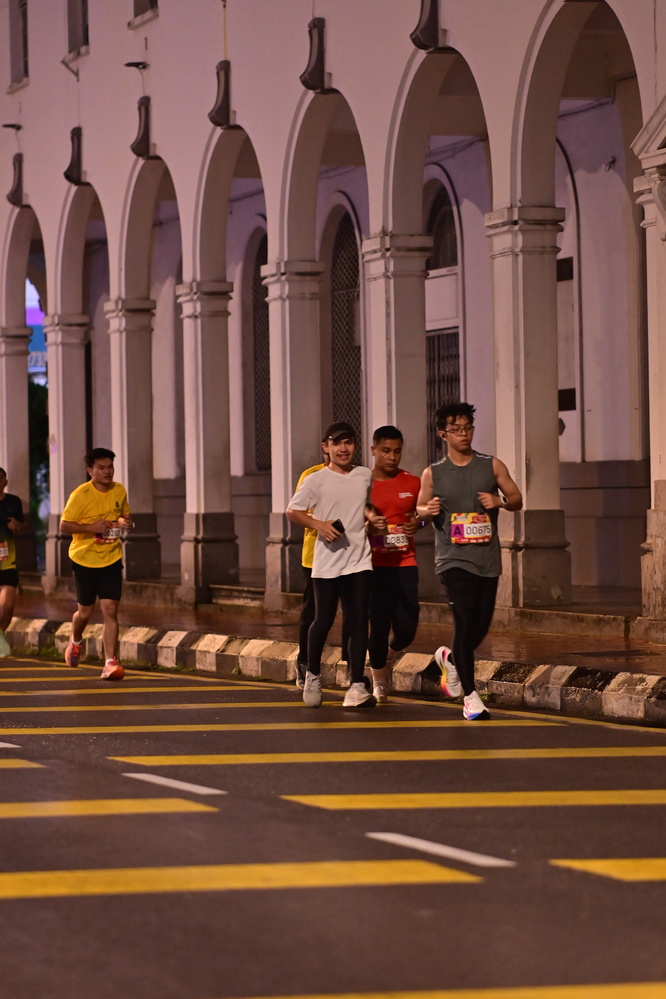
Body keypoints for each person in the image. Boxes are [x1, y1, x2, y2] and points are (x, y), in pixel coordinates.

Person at [416, 403, 522, 720]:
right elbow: (419, 509)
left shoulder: (491, 465)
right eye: (456, 429)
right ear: (443, 434)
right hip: (452, 558)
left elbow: (517, 498)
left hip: (486, 558)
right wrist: (427, 511)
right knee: (463, 621)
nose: (464, 434)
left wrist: (499, 501)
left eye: (468, 428)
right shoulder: (433, 473)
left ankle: (450, 659)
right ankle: (470, 696)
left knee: (480, 625)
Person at [286, 421, 376, 709]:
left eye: (348, 442)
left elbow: (366, 505)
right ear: (326, 447)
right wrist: (319, 525)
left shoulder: (364, 475)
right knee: (322, 620)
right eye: (337, 443)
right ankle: (312, 673)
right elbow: (292, 512)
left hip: (359, 559)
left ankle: (357, 684)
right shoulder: (316, 479)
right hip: (326, 562)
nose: (343, 448)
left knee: (358, 620)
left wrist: (372, 520)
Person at [60, 448, 134, 681]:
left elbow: (121, 515)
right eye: (101, 468)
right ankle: (75, 640)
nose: (107, 471)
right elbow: (64, 525)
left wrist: (125, 522)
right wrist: (90, 527)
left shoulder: (119, 490)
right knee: (85, 612)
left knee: (110, 610)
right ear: (90, 470)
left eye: (110, 467)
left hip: (111, 557)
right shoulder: (80, 495)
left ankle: (110, 662)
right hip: (84, 559)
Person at [367, 426, 428, 703]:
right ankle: (379, 681)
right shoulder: (362, 484)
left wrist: (419, 523)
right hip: (372, 565)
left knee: (407, 627)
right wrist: (368, 527)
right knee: (378, 624)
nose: (392, 457)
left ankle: (387, 656)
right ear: (373, 450)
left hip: (405, 562)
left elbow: (425, 514)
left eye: (397, 451)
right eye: (386, 451)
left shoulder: (412, 483)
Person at [0, 468, 25, 657]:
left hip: (7, 562)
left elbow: (21, 526)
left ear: (5, 482)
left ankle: (0, 635)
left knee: (7, 606)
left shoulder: (13, 502)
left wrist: (15, 526)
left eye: (0, 479)